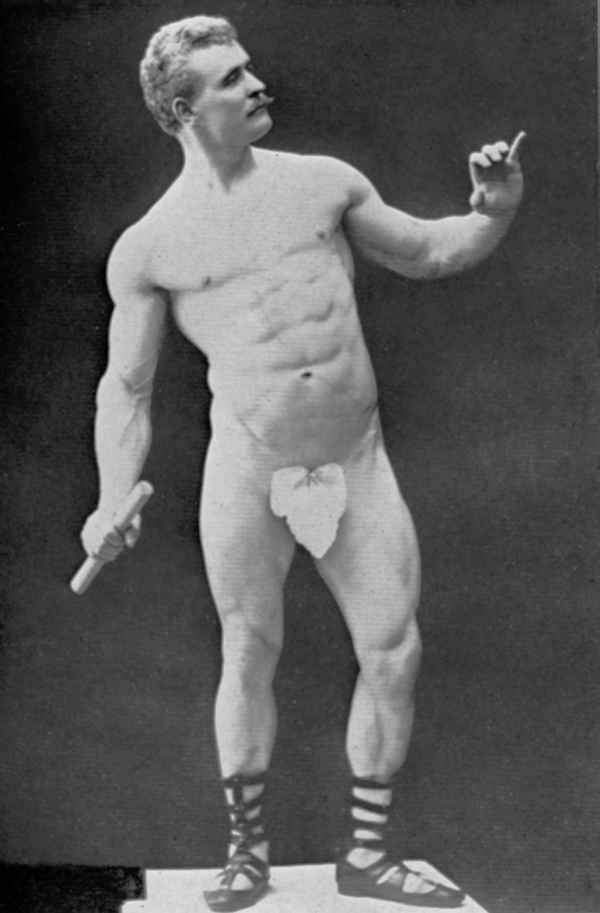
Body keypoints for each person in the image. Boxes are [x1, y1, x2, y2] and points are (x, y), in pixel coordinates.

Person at [80, 14, 525, 911]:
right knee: (248, 649)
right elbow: (124, 390)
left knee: (393, 649)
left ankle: (368, 854)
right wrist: (109, 497)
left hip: (354, 462)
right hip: (249, 471)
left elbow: (429, 252)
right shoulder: (152, 246)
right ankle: (246, 854)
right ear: (183, 110)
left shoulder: (323, 183)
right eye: (230, 79)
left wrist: (494, 209)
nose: (256, 85)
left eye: (249, 68)